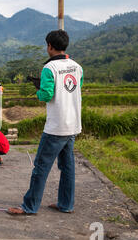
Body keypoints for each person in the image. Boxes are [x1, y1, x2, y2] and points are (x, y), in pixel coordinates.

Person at [7, 30, 83, 216]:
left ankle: (29, 206)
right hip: (72, 125)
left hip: (56, 127)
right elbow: (75, 88)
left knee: (41, 167)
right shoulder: (77, 67)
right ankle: (66, 204)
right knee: (67, 167)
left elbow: (47, 95)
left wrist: (38, 90)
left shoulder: (50, 69)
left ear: (49, 46)